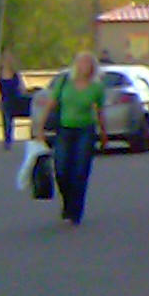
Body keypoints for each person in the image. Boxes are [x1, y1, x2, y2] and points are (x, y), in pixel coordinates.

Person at [49, 52, 105, 227]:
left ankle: (75, 211)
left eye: (88, 64)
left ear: (93, 68)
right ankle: (67, 202)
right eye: (81, 63)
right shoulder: (64, 81)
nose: (84, 67)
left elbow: (100, 112)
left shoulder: (97, 87)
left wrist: (103, 134)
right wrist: (39, 127)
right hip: (64, 129)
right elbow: (52, 103)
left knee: (80, 171)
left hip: (85, 131)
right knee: (61, 169)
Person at [0, 52, 27, 149]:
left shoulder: (15, 74)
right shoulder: (0, 74)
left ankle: (9, 140)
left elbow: (21, 87)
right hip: (5, 99)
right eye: (4, 59)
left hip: (15, 99)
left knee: (10, 119)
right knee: (6, 121)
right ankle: (7, 141)